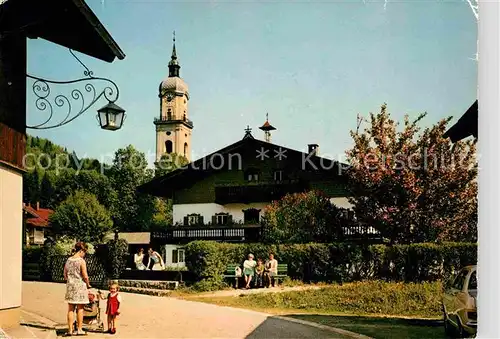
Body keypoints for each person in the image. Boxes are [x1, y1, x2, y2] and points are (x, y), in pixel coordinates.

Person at [63, 242, 91, 336]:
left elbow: (65, 275)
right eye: (84, 252)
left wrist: (70, 281)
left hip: (70, 287)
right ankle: (79, 329)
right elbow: (85, 275)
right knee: (80, 309)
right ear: (81, 250)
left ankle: (70, 330)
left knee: (70, 309)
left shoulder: (68, 260)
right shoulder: (81, 261)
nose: (84, 254)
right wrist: (88, 284)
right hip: (80, 286)